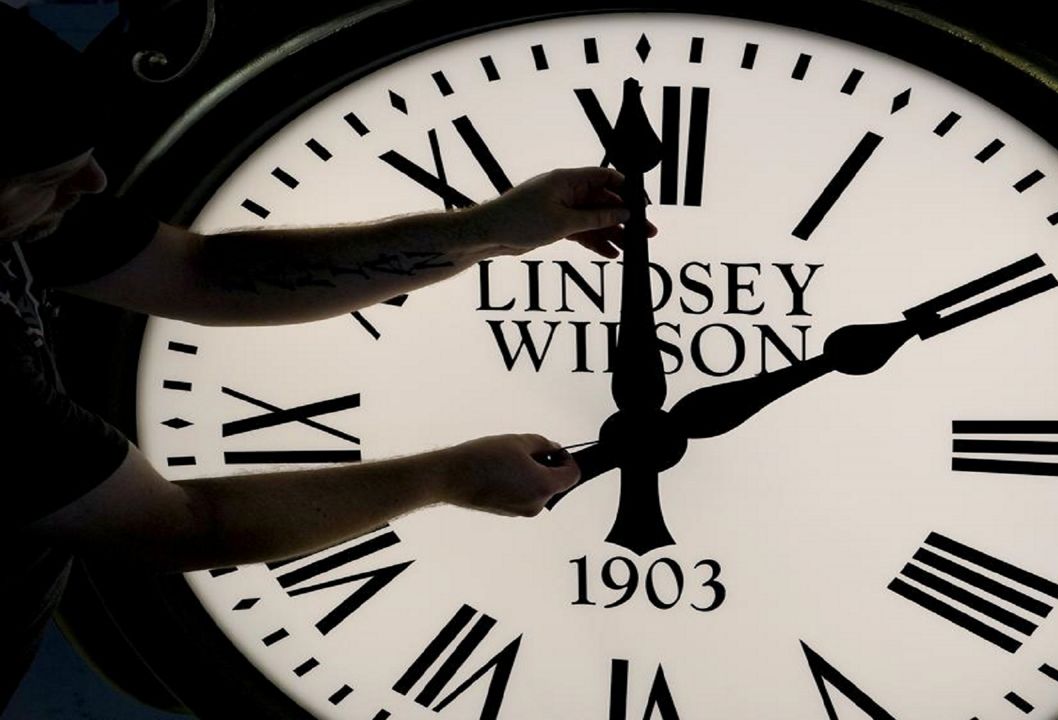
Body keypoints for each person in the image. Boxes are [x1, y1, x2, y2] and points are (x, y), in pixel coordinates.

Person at [0, 6, 649, 710]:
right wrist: (446, 477)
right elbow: (178, 525)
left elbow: (201, 271)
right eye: (49, 176)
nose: (91, 185)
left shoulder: (26, 217)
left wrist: (488, 231)